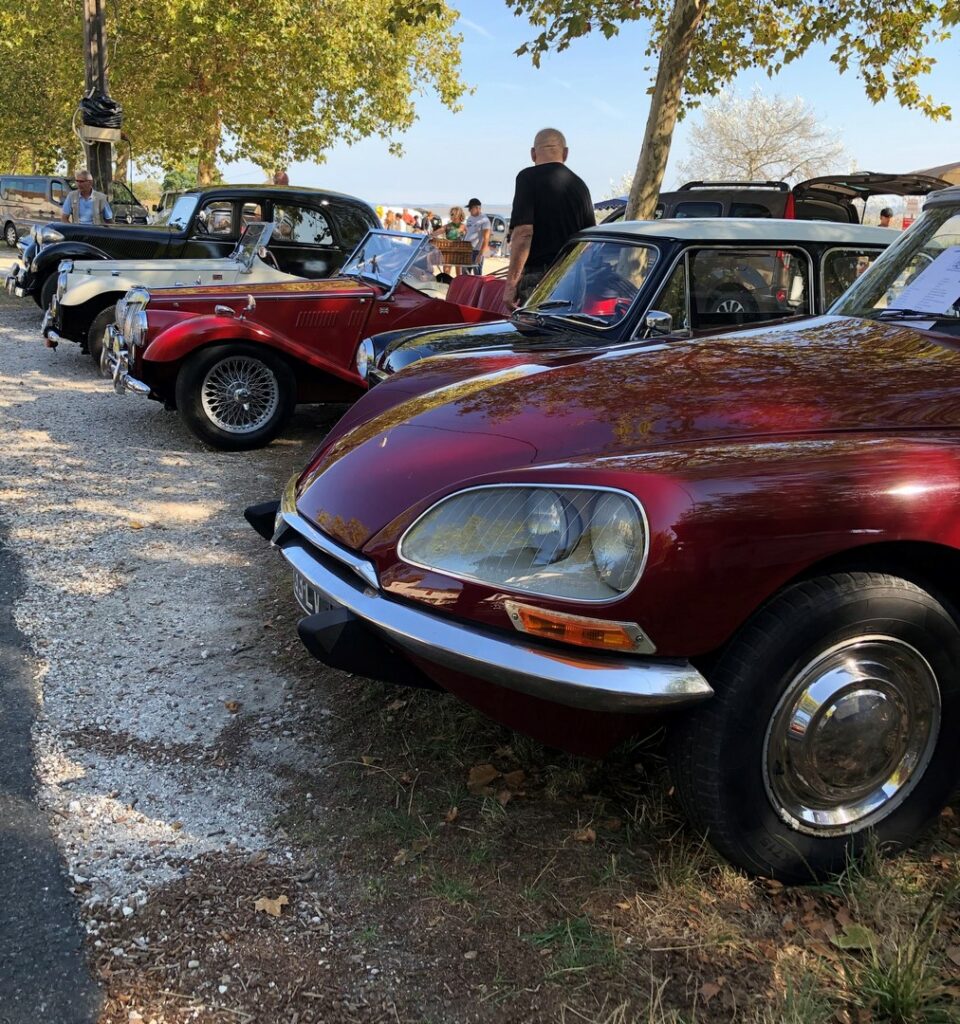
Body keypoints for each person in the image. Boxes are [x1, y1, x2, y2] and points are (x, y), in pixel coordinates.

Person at [504, 128, 595, 308]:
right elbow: (589, 241)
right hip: (575, 278)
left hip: (540, 278)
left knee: (532, 327)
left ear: (533, 153)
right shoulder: (580, 186)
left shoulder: (527, 178)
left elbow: (523, 233)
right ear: (566, 153)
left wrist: (510, 284)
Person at [464, 198, 491, 272]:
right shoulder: (469, 218)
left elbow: (486, 239)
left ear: (477, 208)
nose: (469, 210)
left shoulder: (484, 220)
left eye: (470, 208)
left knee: (477, 274)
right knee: (465, 273)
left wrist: (480, 255)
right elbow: (468, 233)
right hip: (467, 250)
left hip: (477, 251)